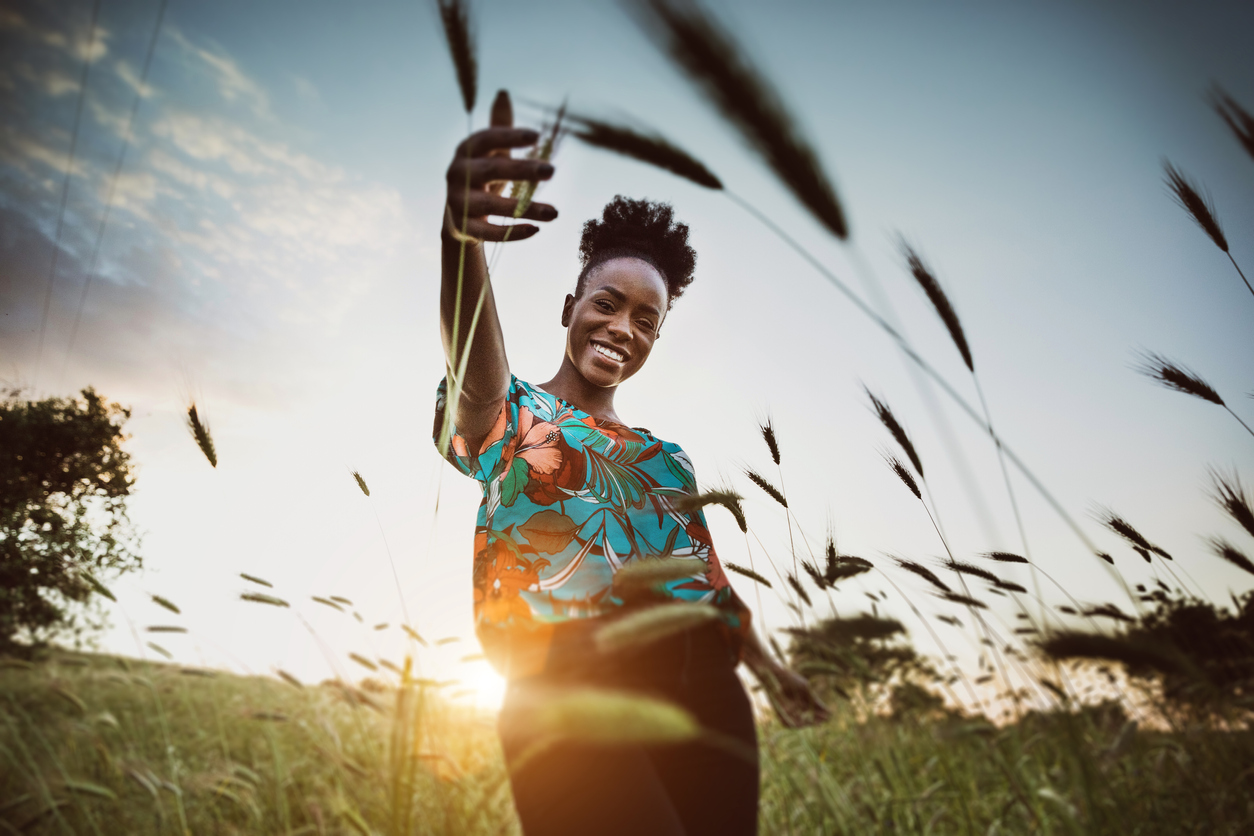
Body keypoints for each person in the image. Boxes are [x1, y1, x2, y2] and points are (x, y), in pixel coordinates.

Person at [434, 91, 828, 836]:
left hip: (701, 690)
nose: (623, 328)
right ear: (569, 308)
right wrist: (462, 242)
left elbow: (707, 580)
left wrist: (770, 669)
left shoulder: (668, 461)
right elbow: (474, 372)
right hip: (559, 684)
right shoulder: (511, 413)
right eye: (607, 304)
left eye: (647, 320)